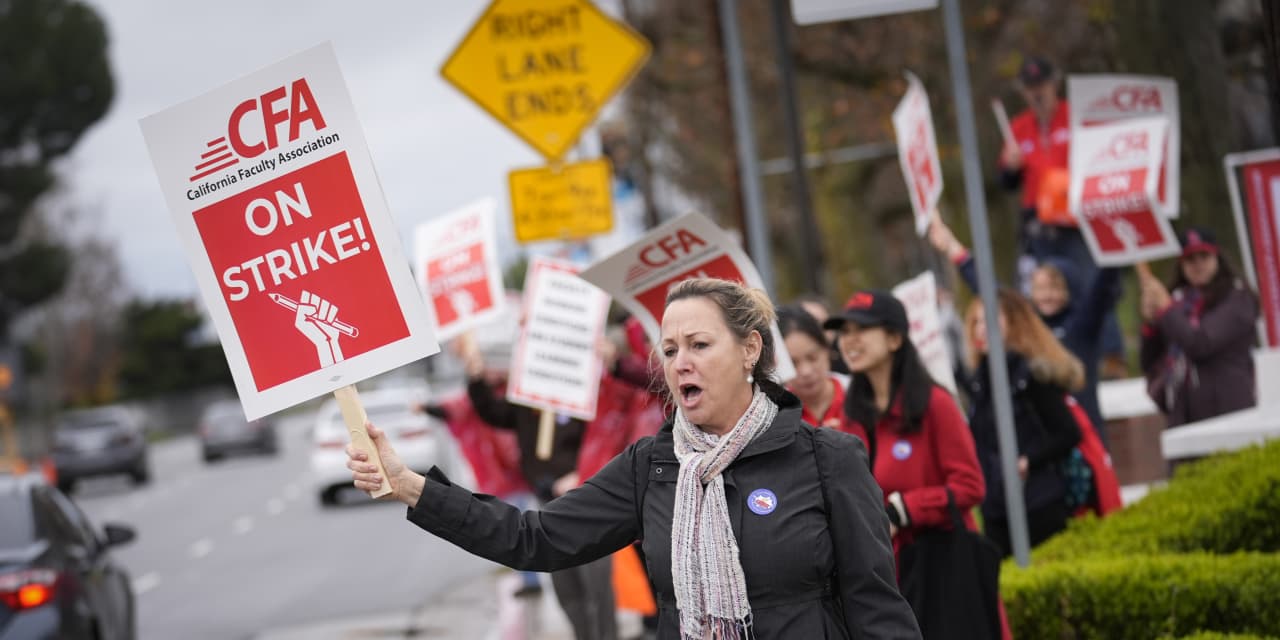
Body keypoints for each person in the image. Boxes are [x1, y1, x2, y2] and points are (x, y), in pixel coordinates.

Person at [347, 277, 922, 639]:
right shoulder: (653, 467)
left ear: (750, 350)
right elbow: (534, 538)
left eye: (699, 345)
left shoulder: (828, 459)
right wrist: (412, 486)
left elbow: (878, 609)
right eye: (669, 350)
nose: (680, 363)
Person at [824, 291, 1004, 639]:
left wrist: (904, 509)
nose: (850, 340)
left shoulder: (935, 404)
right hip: (882, 573)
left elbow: (970, 486)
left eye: (861, 329)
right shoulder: (851, 415)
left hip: (944, 570)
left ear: (894, 338)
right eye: (844, 331)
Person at [454, 336, 617, 640]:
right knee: (567, 588)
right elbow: (492, 412)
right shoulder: (526, 401)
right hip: (548, 506)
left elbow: (607, 436)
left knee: (596, 586)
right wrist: (476, 377)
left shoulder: (585, 397)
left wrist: (580, 474)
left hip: (586, 502)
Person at [929, 213, 1120, 438]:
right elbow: (994, 293)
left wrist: (1116, 240)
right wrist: (953, 249)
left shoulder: (1082, 325)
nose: (1046, 295)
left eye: (1055, 288)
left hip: (1084, 437)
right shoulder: (1026, 326)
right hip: (1042, 447)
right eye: (1039, 288)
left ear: (1071, 290)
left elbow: (1102, 287)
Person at [964, 289, 1083, 557]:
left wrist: (1028, 461)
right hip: (995, 508)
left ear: (1014, 324)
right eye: (976, 322)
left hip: (1038, 504)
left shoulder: (1030, 375)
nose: (981, 330)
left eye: (990, 321)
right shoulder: (979, 379)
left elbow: (1068, 432)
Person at [1139, 227, 1260, 427]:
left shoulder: (1237, 297)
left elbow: (1201, 343)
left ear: (1217, 258)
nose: (1198, 265)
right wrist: (1151, 323)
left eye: (1204, 257)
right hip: (1183, 412)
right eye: (1190, 259)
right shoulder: (1177, 301)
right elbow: (1149, 362)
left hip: (1229, 410)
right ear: (1181, 265)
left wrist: (1167, 310)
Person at [777, 305, 848, 430]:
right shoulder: (776, 416)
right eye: (793, 363)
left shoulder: (858, 393)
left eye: (812, 358)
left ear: (826, 350)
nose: (806, 371)